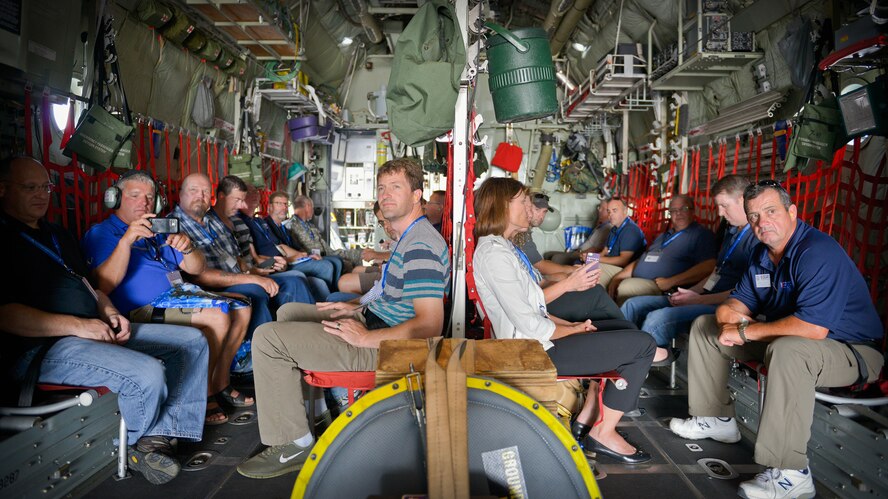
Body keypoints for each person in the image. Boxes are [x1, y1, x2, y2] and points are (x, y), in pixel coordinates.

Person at [0, 156, 209, 485]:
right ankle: (139, 446)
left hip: (91, 329)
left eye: (45, 187)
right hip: (42, 347)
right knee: (148, 372)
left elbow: (92, 286)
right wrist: (79, 325)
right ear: (3, 189)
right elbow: (5, 314)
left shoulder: (56, 234)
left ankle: (162, 436)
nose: (41, 194)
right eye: (30, 188)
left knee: (192, 341)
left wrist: (108, 312)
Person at [669, 180, 884, 499]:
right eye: (753, 216)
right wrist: (730, 319)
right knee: (705, 327)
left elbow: (813, 330)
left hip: (854, 351)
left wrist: (743, 329)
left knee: (788, 350)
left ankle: (792, 473)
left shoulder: (816, 251)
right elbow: (732, 307)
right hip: (792, 339)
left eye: (770, 211)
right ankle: (716, 418)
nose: (761, 222)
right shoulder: (761, 254)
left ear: (792, 212)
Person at [237, 158, 450, 479]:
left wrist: (364, 337)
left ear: (417, 195)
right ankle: (318, 413)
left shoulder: (420, 245)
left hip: (389, 347)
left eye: (396, 188)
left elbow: (429, 325)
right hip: (377, 323)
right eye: (382, 188)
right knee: (288, 312)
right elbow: (394, 299)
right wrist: (354, 308)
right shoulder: (410, 236)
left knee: (268, 338)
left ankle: (293, 443)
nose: (386, 195)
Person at [472, 177, 656, 465]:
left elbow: (533, 307)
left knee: (621, 331)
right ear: (501, 207)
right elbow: (531, 325)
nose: (528, 207)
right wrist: (568, 322)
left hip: (537, 341)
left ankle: (592, 408)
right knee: (643, 344)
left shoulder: (503, 248)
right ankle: (603, 433)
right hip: (535, 352)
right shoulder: (495, 254)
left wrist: (573, 327)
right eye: (522, 201)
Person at [81, 170, 252, 424]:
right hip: (140, 310)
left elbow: (197, 269)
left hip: (177, 297)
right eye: (135, 196)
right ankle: (201, 394)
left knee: (241, 305)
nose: (144, 203)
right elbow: (103, 285)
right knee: (217, 316)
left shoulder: (158, 231)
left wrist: (188, 246)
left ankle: (219, 382)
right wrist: (127, 241)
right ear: (115, 199)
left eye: (150, 198)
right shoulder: (103, 233)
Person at [620, 175, 757, 365]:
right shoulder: (731, 232)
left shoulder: (758, 238)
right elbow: (716, 272)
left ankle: (636, 370)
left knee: (656, 319)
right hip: (706, 296)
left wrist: (698, 299)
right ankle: (620, 354)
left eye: (724, 206)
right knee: (632, 305)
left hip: (726, 305)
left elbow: (746, 294)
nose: (719, 213)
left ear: (743, 200)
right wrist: (691, 292)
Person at [173, 174, 313, 344]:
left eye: (205, 191)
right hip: (211, 288)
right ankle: (260, 352)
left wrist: (252, 271)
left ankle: (307, 341)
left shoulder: (213, 221)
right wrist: (251, 278)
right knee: (256, 292)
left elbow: (236, 257)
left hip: (240, 277)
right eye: (194, 190)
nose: (200, 196)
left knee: (295, 282)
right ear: (181, 194)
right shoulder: (174, 227)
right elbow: (199, 276)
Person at [521, 192, 628, 323]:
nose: (541, 215)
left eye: (544, 211)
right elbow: (538, 268)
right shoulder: (516, 238)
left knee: (594, 290)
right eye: (537, 209)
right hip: (535, 301)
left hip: (537, 292)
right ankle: (629, 334)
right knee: (596, 293)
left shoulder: (520, 235)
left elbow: (539, 279)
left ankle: (625, 334)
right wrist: (569, 275)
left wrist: (569, 275)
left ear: (625, 211)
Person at [607, 195, 717, 305]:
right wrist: (618, 277)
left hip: (662, 285)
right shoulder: (662, 236)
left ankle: (617, 320)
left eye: (684, 209)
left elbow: (709, 266)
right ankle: (597, 315)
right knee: (596, 268)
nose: (678, 213)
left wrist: (671, 281)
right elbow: (641, 260)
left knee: (626, 286)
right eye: (674, 210)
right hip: (634, 274)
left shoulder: (701, 235)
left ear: (693, 211)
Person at [237, 187, 337, 298]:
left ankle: (327, 305)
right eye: (279, 203)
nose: (255, 195)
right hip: (270, 264)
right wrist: (292, 258)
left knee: (325, 274)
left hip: (279, 261)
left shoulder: (259, 221)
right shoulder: (240, 222)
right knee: (322, 268)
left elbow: (279, 246)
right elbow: (255, 257)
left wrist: (301, 256)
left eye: (286, 204)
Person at [289, 195, 363, 271]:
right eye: (312, 207)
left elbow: (328, 250)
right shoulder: (291, 225)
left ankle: (365, 280)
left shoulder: (310, 226)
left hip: (326, 254)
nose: (313, 211)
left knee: (357, 255)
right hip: (312, 259)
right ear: (308, 206)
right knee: (346, 264)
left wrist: (345, 253)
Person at [339, 201, 392, 295]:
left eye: (388, 220)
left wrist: (376, 255)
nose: (386, 226)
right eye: (382, 223)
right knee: (355, 270)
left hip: (389, 277)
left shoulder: (415, 232)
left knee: (343, 284)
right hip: (387, 270)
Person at [596, 197, 647, 288]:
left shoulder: (631, 230)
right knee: (580, 264)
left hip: (623, 269)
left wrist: (594, 259)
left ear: (625, 211)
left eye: (614, 210)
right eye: (608, 211)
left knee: (581, 270)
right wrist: (590, 257)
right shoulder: (614, 229)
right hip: (609, 264)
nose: (610, 214)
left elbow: (623, 261)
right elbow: (604, 252)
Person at [544, 201, 612, 265]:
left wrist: (580, 253)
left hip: (583, 254)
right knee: (547, 255)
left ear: (609, 212)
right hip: (578, 251)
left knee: (556, 258)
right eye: (599, 207)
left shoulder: (607, 228)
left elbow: (597, 249)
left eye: (602, 209)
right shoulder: (600, 226)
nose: (599, 210)